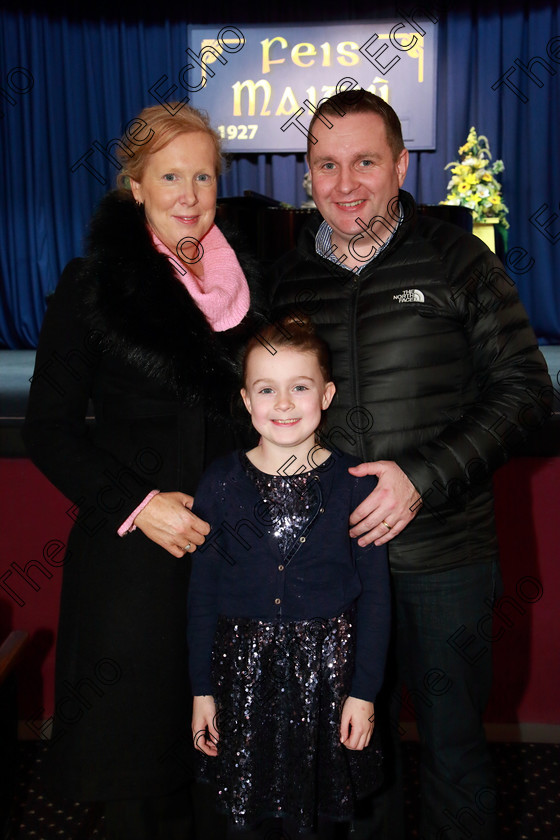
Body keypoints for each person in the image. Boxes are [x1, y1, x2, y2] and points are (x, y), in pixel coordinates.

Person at [270, 91, 552, 839]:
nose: (346, 183)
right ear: (308, 174)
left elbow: (527, 392)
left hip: (444, 561)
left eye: (366, 161)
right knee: (356, 759)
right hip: (336, 568)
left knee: (455, 758)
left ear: (400, 166)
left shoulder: (460, 258)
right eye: (326, 165)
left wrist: (419, 478)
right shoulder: (287, 279)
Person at [23, 103, 262, 840]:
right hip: (135, 569)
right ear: (135, 186)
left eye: (202, 176)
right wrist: (142, 504)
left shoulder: (247, 283)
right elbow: (48, 432)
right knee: (144, 785)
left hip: (235, 566)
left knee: (228, 780)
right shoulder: (93, 284)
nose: (188, 194)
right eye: (169, 175)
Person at [187, 317, 391, 839]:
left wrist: (364, 694)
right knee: (246, 820)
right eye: (266, 389)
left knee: (319, 821)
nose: (283, 403)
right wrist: (202, 691)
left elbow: (375, 601)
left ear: (326, 395)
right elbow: (202, 596)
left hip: (328, 683)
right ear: (245, 399)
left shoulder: (355, 487)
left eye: (299, 387)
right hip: (243, 681)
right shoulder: (220, 482)